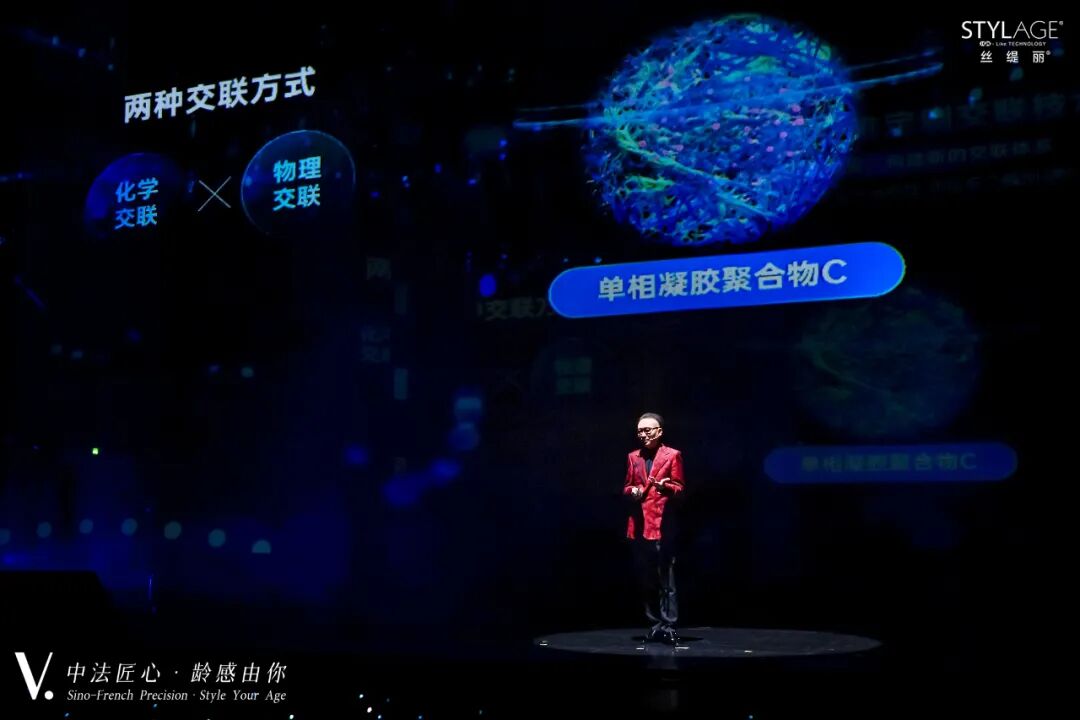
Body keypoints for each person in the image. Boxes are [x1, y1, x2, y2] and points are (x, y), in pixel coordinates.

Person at [623, 412, 685, 645]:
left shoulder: (673, 455)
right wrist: (633, 491)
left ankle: (669, 624)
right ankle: (654, 624)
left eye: (647, 430)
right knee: (646, 578)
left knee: (666, 578)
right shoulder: (633, 457)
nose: (643, 434)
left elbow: (680, 487)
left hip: (662, 524)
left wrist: (665, 487)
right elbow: (627, 486)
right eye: (640, 431)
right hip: (639, 526)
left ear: (659, 432)